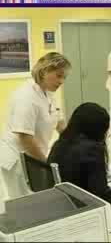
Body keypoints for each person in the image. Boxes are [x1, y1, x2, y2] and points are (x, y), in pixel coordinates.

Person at [48, 103, 111, 219]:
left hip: (65, 211)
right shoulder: (92, 150)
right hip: (87, 216)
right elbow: (103, 198)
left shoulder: (60, 144)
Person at [0, 52, 71, 200]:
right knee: (23, 202)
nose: (62, 81)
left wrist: (75, 143)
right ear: (44, 71)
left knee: (35, 199)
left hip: (32, 156)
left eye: (64, 77)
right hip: (17, 158)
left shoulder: (48, 92)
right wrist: (46, 165)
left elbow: (60, 123)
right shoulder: (26, 97)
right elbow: (25, 137)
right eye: (58, 76)